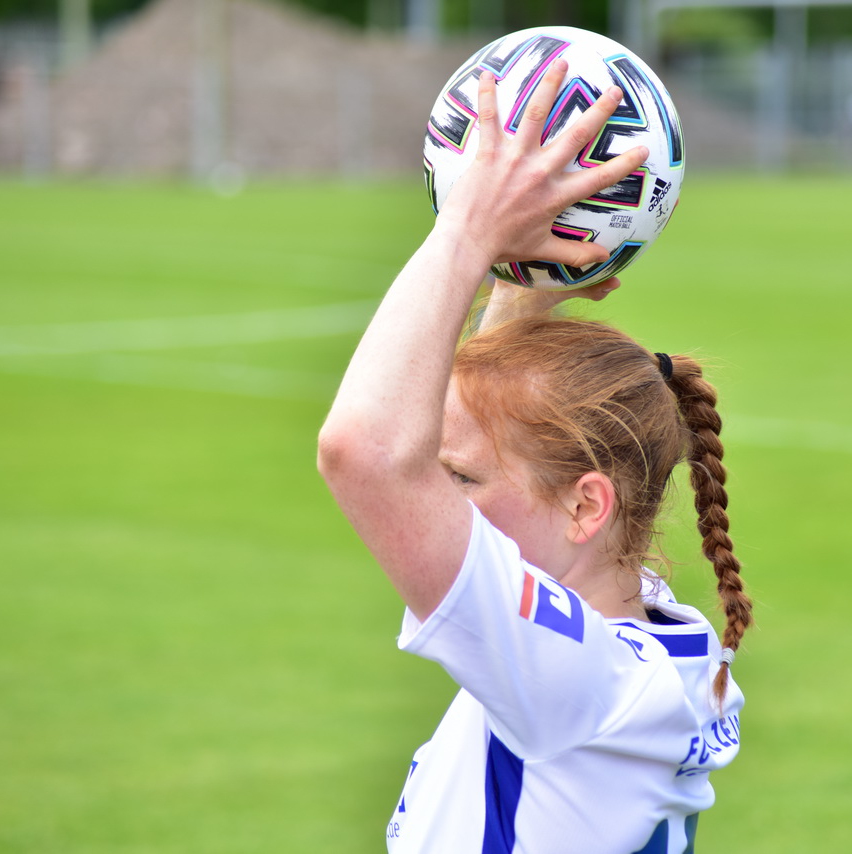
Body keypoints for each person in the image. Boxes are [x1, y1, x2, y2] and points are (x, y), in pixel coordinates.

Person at [317, 59, 750, 853]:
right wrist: (527, 280)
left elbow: (367, 453)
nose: (438, 496)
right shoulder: (637, 639)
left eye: (461, 481)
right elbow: (482, 430)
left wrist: (469, 234)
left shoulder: (580, 685)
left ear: (588, 505)